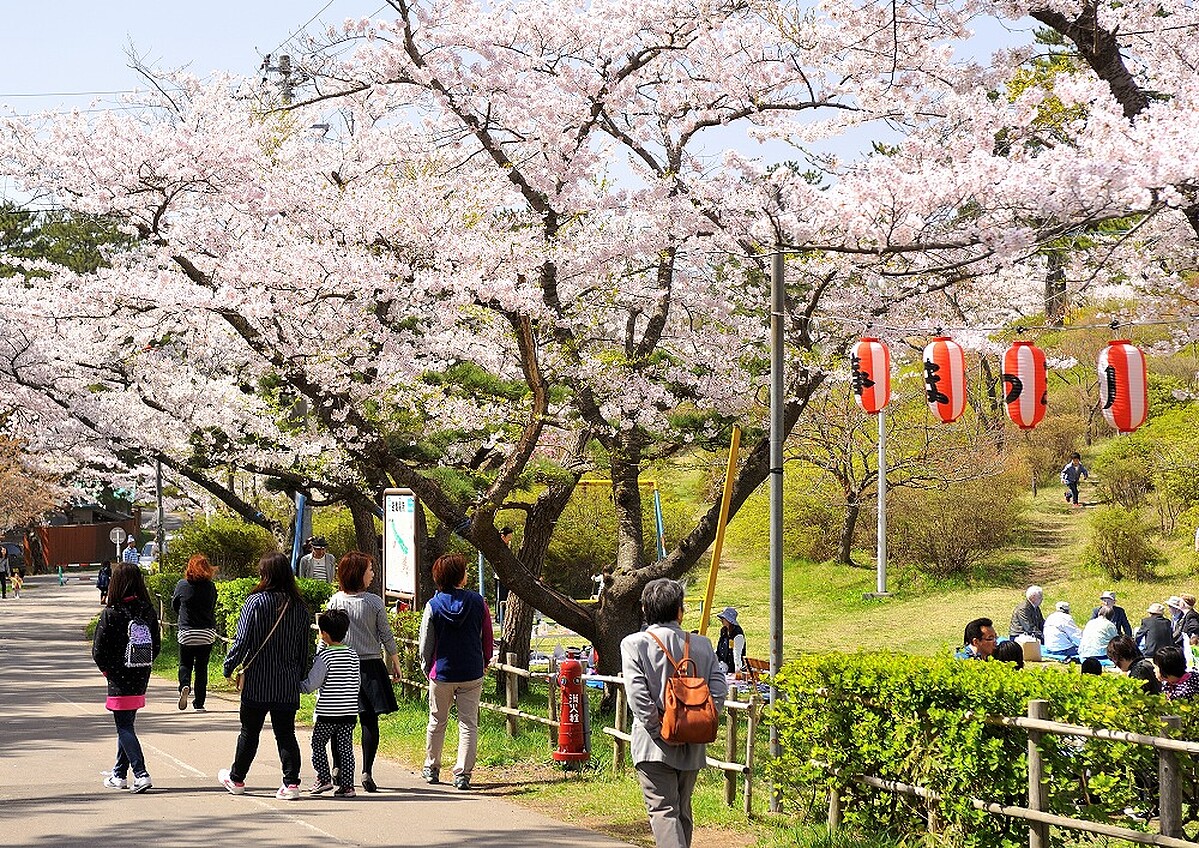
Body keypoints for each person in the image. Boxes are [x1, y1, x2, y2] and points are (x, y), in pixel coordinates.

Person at [621, 578, 727, 848]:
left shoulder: (634, 644)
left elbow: (638, 696)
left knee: (664, 812)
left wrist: (660, 730)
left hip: (653, 745)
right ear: (680, 610)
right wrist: (698, 720)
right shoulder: (702, 644)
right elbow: (718, 690)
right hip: (693, 743)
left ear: (645, 609)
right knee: (682, 811)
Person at [218, 552, 311, 799]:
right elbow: (304, 649)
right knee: (286, 733)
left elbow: (242, 641)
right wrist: (300, 676)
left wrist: (229, 666)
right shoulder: (300, 608)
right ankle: (291, 783)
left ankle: (237, 779)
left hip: (258, 680)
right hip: (287, 682)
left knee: (249, 731)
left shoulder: (255, 602)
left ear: (265, 574)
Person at [325, 551, 402, 793]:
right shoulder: (374, 602)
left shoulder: (335, 602)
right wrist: (395, 660)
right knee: (369, 721)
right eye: (369, 569)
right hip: (370, 667)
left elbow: (324, 637)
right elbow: (385, 635)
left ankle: (337, 767)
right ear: (358, 573)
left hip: (341, 665)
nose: (372, 574)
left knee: (340, 719)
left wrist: (321, 664)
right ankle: (367, 770)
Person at [419, 553, 494, 790]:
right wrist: (485, 660)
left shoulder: (433, 605)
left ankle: (432, 767)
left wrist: (426, 667)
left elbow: (426, 643)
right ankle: (462, 774)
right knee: (468, 723)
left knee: (437, 720)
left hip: (441, 673)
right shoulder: (478, 602)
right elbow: (488, 637)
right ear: (460, 576)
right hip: (471, 671)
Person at [92, 562, 161, 793]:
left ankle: (141, 774)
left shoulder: (111, 614)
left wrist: (108, 672)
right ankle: (118, 774)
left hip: (118, 678)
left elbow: (98, 651)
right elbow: (157, 646)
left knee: (123, 727)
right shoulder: (148, 612)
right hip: (141, 675)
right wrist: (144, 667)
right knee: (127, 724)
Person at [301, 608, 361, 797]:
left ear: (324, 634)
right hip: (349, 711)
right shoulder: (353, 654)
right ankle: (348, 785)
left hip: (328, 712)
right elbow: (357, 682)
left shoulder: (325, 657)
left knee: (318, 744)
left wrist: (298, 685)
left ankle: (324, 778)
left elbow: (312, 684)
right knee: (345, 749)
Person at [172, 553, 219, 712]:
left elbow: (175, 605)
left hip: (187, 632)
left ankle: (184, 685)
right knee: (201, 668)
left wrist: (183, 615)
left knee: (185, 663)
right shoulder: (210, 587)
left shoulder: (182, 585)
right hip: (206, 633)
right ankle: (199, 702)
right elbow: (213, 605)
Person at [714, 607, 747, 674]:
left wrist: (738, 670)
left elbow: (737, 654)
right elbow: (719, 648)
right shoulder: (724, 631)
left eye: (723, 618)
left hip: (732, 668)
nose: (721, 620)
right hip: (722, 666)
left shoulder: (738, 634)